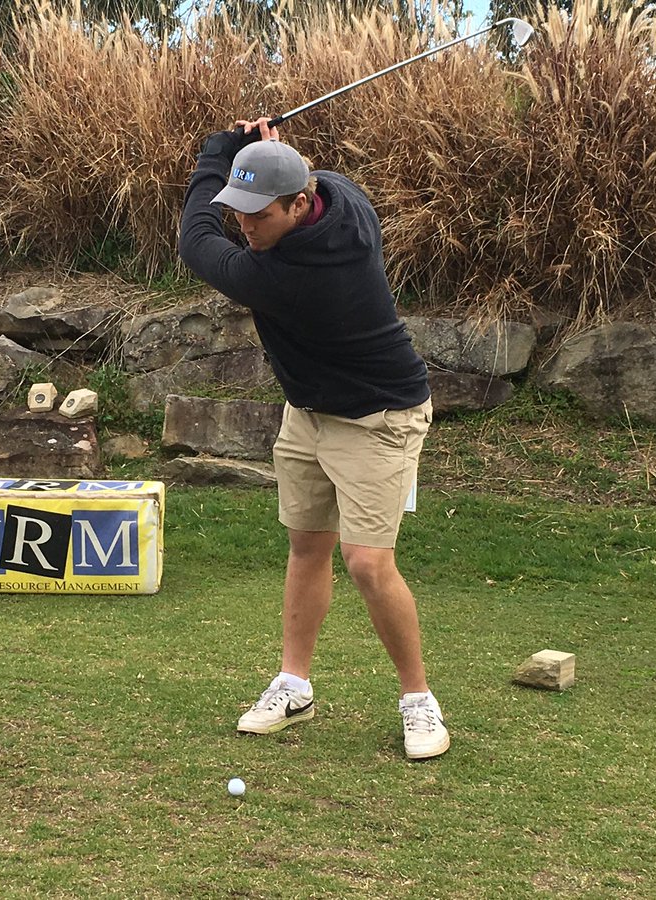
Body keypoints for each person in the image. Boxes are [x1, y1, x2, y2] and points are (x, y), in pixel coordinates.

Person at [177, 116, 449, 760]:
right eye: (237, 211)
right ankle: (293, 683)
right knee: (307, 547)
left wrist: (218, 150)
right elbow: (306, 175)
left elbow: (194, 242)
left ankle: (418, 699)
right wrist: (264, 152)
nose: (245, 227)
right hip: (309, 412)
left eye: (258, 214)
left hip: (379, 416)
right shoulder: (342, 197)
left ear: (300, 205)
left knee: (366, 561)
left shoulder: (287, 273)